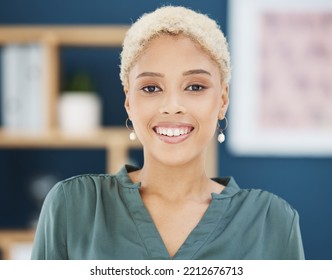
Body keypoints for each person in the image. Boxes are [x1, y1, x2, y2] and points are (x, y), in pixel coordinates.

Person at [31, 6, 305, 260]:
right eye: (151, 88)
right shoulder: (72, 207)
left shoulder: (272, 221)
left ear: (222, 100)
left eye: (195, 87)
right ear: (129, 102)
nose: (172, 106)